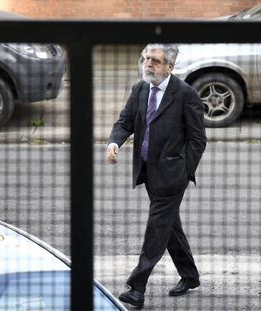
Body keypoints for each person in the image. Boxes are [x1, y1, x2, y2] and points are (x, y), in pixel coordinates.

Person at [106, 43, 207, 308]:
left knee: (157, 228)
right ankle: (190, 275)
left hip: (173, 175)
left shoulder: (186, 94)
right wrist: (114, 142)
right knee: (169, 225)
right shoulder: (140, 88)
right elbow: (125, 121)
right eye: (147, 58)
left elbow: (198, 139)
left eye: (156, 61)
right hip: (147, 170)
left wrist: (184, 170)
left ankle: (136, 287)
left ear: (170, 67)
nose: (149, 64)